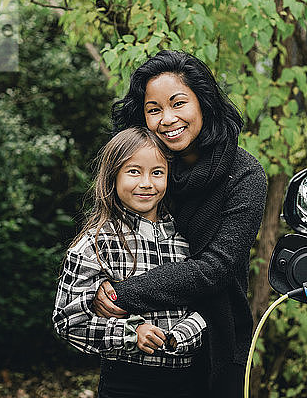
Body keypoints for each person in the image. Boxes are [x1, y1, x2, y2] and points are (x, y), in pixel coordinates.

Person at [92, 50, 268, 397]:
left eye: (178, 103)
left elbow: (215, 268)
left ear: (203, 103)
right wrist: (101, 288)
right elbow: (109, 235)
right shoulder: (147, 174)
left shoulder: (245, 175)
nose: (167, 118)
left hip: (215, 343)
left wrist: (125, 294)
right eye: (153, 109)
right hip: (140, 344)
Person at [52, 126, 207, 398]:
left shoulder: (187, 238)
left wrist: (179, 335)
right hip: (126, 383)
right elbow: (68, 321)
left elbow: (208, 304)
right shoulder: (95, 244)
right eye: (134, 171)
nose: (147, 182)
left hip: (188, 382)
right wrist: (132, 334)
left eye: (157, 172)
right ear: (113, 176)